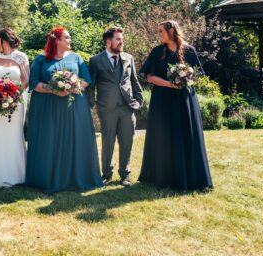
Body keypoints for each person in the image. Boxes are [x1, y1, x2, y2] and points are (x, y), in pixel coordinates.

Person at [26, 27, 103, 193]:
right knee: (49, 140)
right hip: (48, 107)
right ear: (57, 40)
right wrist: (52, 89)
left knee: (74, 138)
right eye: (67, 38)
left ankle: (75, 176)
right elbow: (34, 82)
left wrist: (71, 87)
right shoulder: (41, 59)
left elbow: (86, 80)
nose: (70, 40)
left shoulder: (77, 58)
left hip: (73, 105)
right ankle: (46, 177)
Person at [138, 20, 213, 191]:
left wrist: (186, 79)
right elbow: (149, 77)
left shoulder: (189, 51)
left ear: (171, 31)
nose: (159, 35)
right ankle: (165, 177)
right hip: (163, 100)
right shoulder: (157, 52)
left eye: (161, 31)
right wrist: (171, 84)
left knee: (188, 134)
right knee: (165, 136)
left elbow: (197, 75)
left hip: (185, 99)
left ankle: (193, 177)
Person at [88, 27, 143, 186]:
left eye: (122, 39)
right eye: (118, 39)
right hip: (107, 108)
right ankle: (106, 174)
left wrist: (138, 102)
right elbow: (90, 85)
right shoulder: (96, 60)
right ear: (108, 41)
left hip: (127, 107)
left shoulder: (128, 58)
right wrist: (94, 104)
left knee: (127, 142)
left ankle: (125, 175)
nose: (121, 42)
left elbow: (134, 81)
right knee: (108, 142)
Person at [0, 28, 29, 187]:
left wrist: (13, 97)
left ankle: (18, 174)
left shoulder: (21, 57)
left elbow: (25, 81)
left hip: (16, 103)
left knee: (14, 135)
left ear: (4, 40)